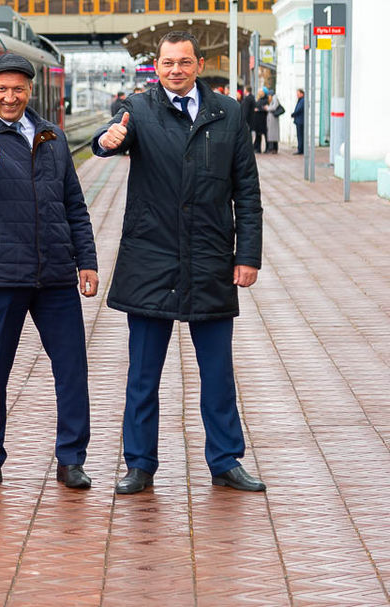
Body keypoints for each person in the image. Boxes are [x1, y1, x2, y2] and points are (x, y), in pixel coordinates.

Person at [93, 30, 265, 495]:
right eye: (167, 63)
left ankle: (226, 460)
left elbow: (247, 192)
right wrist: (107, 140)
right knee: (142, 377)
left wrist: (247, 255)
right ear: (157, 65)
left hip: (210, 260)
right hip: (151, 261)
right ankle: (140, 464)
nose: (175, 70)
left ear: (198, 63)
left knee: (218, 374)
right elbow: (109, 139)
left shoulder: (227, 114)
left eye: (183, 62)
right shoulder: (138, 108)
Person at [0, 53, 98, 492]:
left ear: (30, 91)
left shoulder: (51, 136)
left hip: (55, 275)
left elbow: (74, 204)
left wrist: (85, 260)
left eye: (18, 89)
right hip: (0, 276)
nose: (10, 97)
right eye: (2, 89)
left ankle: (71, 458)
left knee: (72, 368)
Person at [262, 87, 281, 154]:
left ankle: (273, 149)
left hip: (273, 119)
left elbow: (274, 107)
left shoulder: (274, 98)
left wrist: (267, 108)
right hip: (272, 119)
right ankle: (273, 149)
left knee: (273, 134)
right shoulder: (274, 98)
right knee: (272, 134)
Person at [253, 88, 269, 153]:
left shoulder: (266, 100)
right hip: (257, 120)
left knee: (265, 135)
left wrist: (259, 109)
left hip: (263, 120)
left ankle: (267, 149)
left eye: (260, 92)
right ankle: (258, 149)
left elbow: (266, 108)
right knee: (258, 135)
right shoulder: (258, 99)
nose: (259, 93)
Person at [292, 88, 306, 154]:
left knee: (300, 135)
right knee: (300, 135)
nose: (297, 95)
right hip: (299, 120)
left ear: (302, 94)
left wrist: (294, 114)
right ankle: (300, 149)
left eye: (298, 94)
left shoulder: (302, 100)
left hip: (300, 120)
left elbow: (299, 109)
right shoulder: (301, 100)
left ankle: (300, 149)